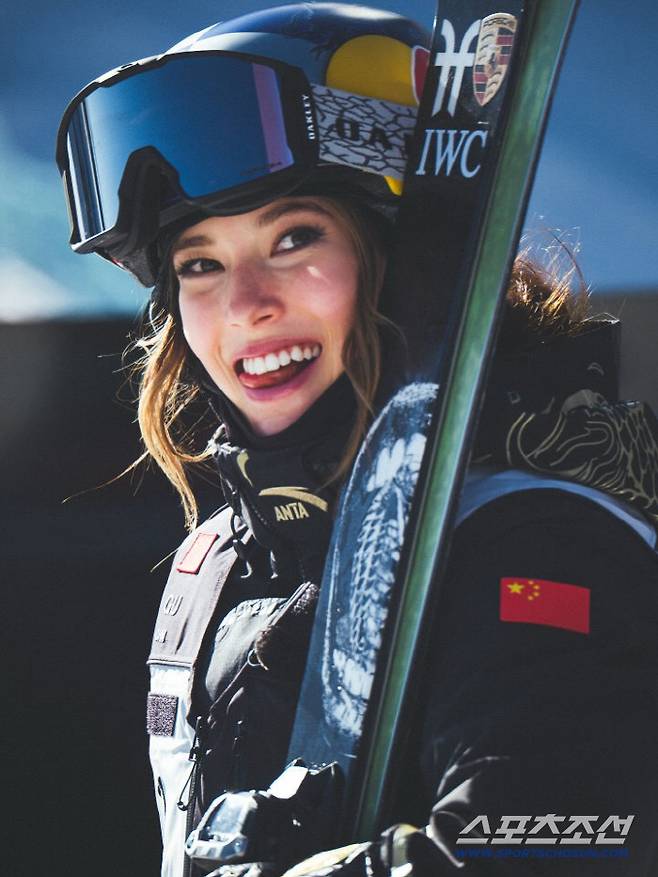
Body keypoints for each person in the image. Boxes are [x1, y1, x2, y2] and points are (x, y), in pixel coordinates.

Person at [56, 4, 658, 876]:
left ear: (406, 266)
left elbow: (568, 838)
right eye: (200, 263)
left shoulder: (537, 540)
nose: (244, 304)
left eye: (294, 238)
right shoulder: (213, 562)